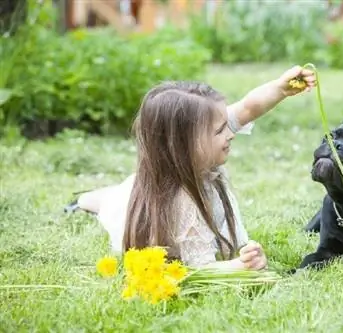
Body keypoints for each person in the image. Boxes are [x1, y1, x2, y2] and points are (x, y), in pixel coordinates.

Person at [65, 66, 316, 271]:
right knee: (110, 204)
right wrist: (240, 266)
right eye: (220, 130)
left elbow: (247, 108)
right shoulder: (182, 203)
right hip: (131, 201)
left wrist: (280, 88)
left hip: (138, 189)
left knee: (118, 193)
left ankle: (98, 196)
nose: (231, 133)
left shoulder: (200, 137)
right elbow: (199, 270)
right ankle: (82, 201)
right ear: (183, 146)